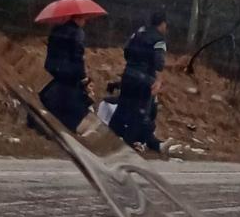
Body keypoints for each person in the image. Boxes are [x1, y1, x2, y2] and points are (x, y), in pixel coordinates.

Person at [109, 11, 172, 153]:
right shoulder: (159, 39)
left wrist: (133, 63)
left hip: (128, 76)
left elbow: (126, 50)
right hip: (144, 80)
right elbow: (159, 62)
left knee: (122, 108)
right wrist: (157, 80)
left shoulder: (139, 32)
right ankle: (128, 145)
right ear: (162, 23)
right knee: (140, 114)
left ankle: (110, 138)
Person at [39, 15, 95, 133]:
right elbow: (77, 56)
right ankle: (67, 127)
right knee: (71, 101)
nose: (84, 22)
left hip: (53, 69)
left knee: (53, 97)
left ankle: (43, 125)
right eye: (84, 19)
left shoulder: (57, 30)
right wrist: (82, 75)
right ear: (78, 19)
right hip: (70, 73)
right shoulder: (77, 33)